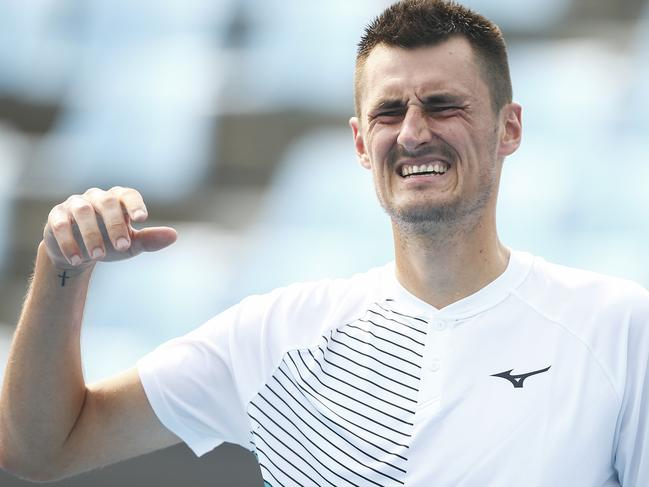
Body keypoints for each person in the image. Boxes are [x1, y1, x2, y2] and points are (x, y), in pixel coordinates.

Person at [1, 0, 648, 485]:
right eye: (388, 112)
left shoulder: (617, 325)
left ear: (509, 128)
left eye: (444, 104)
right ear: (362, 144)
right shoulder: (275, 335)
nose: (414, 132)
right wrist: (62, 268)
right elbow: (43, 447)